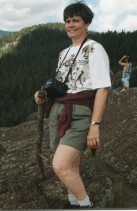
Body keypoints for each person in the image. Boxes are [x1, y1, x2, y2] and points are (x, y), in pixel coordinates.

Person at [34, 1, 111, 209]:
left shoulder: (94, 49)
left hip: (79, 112)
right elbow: (63, 86)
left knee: (60, 165)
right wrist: (43, 96)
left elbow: (103, 88)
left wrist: (95, 125)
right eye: (67, 21)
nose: (70, 25)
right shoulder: (63, 53)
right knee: (72, 166)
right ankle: (73, 203)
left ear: (86, 24)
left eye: (76, 20)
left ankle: (86, 205)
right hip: (60, 109)